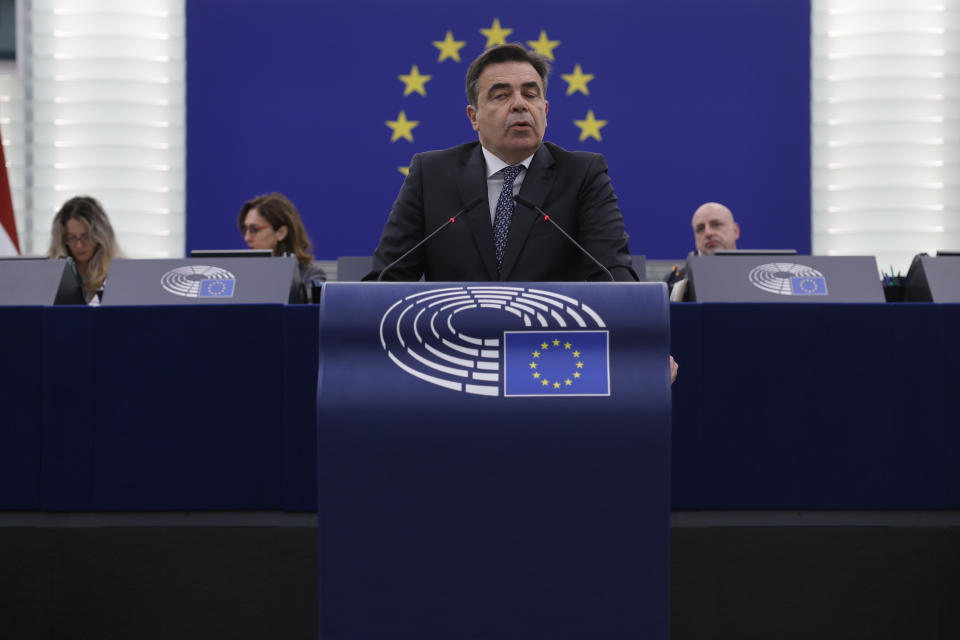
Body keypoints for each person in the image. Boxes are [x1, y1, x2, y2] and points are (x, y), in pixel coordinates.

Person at [367, 43, 637, 283]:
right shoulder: (432, 175)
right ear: (474, 117)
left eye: (530, 95)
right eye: (501, 95)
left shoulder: (582, 175)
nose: (520, 105)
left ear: (545, 111)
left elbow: (615, 278)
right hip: (454, 335)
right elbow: (384, 281)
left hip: (548, 338)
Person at [238, 192, 326, 301]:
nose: (247, 238)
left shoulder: (310, 277)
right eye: (245, 229)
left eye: (254, 230)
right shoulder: (241, 276)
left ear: (281, 233)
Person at [48, 196, 124, 304]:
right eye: (71, 237)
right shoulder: (52, 276)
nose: (79, 245)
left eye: (86, 236)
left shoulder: (119, 274)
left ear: (100, 237)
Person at [666, 202, 739, 301]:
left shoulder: (757, 274)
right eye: (700, 229)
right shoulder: (674, 283)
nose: (708, 233)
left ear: (735, 231)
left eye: (716, 224)